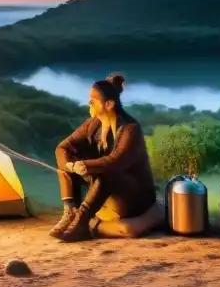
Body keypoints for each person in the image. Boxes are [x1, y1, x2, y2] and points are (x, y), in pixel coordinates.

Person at [50, 72, 157, 242]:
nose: (89, 103)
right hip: (107, 186)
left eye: (93, 100)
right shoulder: (92, 125)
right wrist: (71, 166)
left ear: (108, 104)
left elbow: (116, 162)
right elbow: (62, 147)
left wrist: (85, 165)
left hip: (133, 197)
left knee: (107, 171)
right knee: (68, 159)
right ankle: (70, 211)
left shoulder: (130, 129)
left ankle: (82, 223)